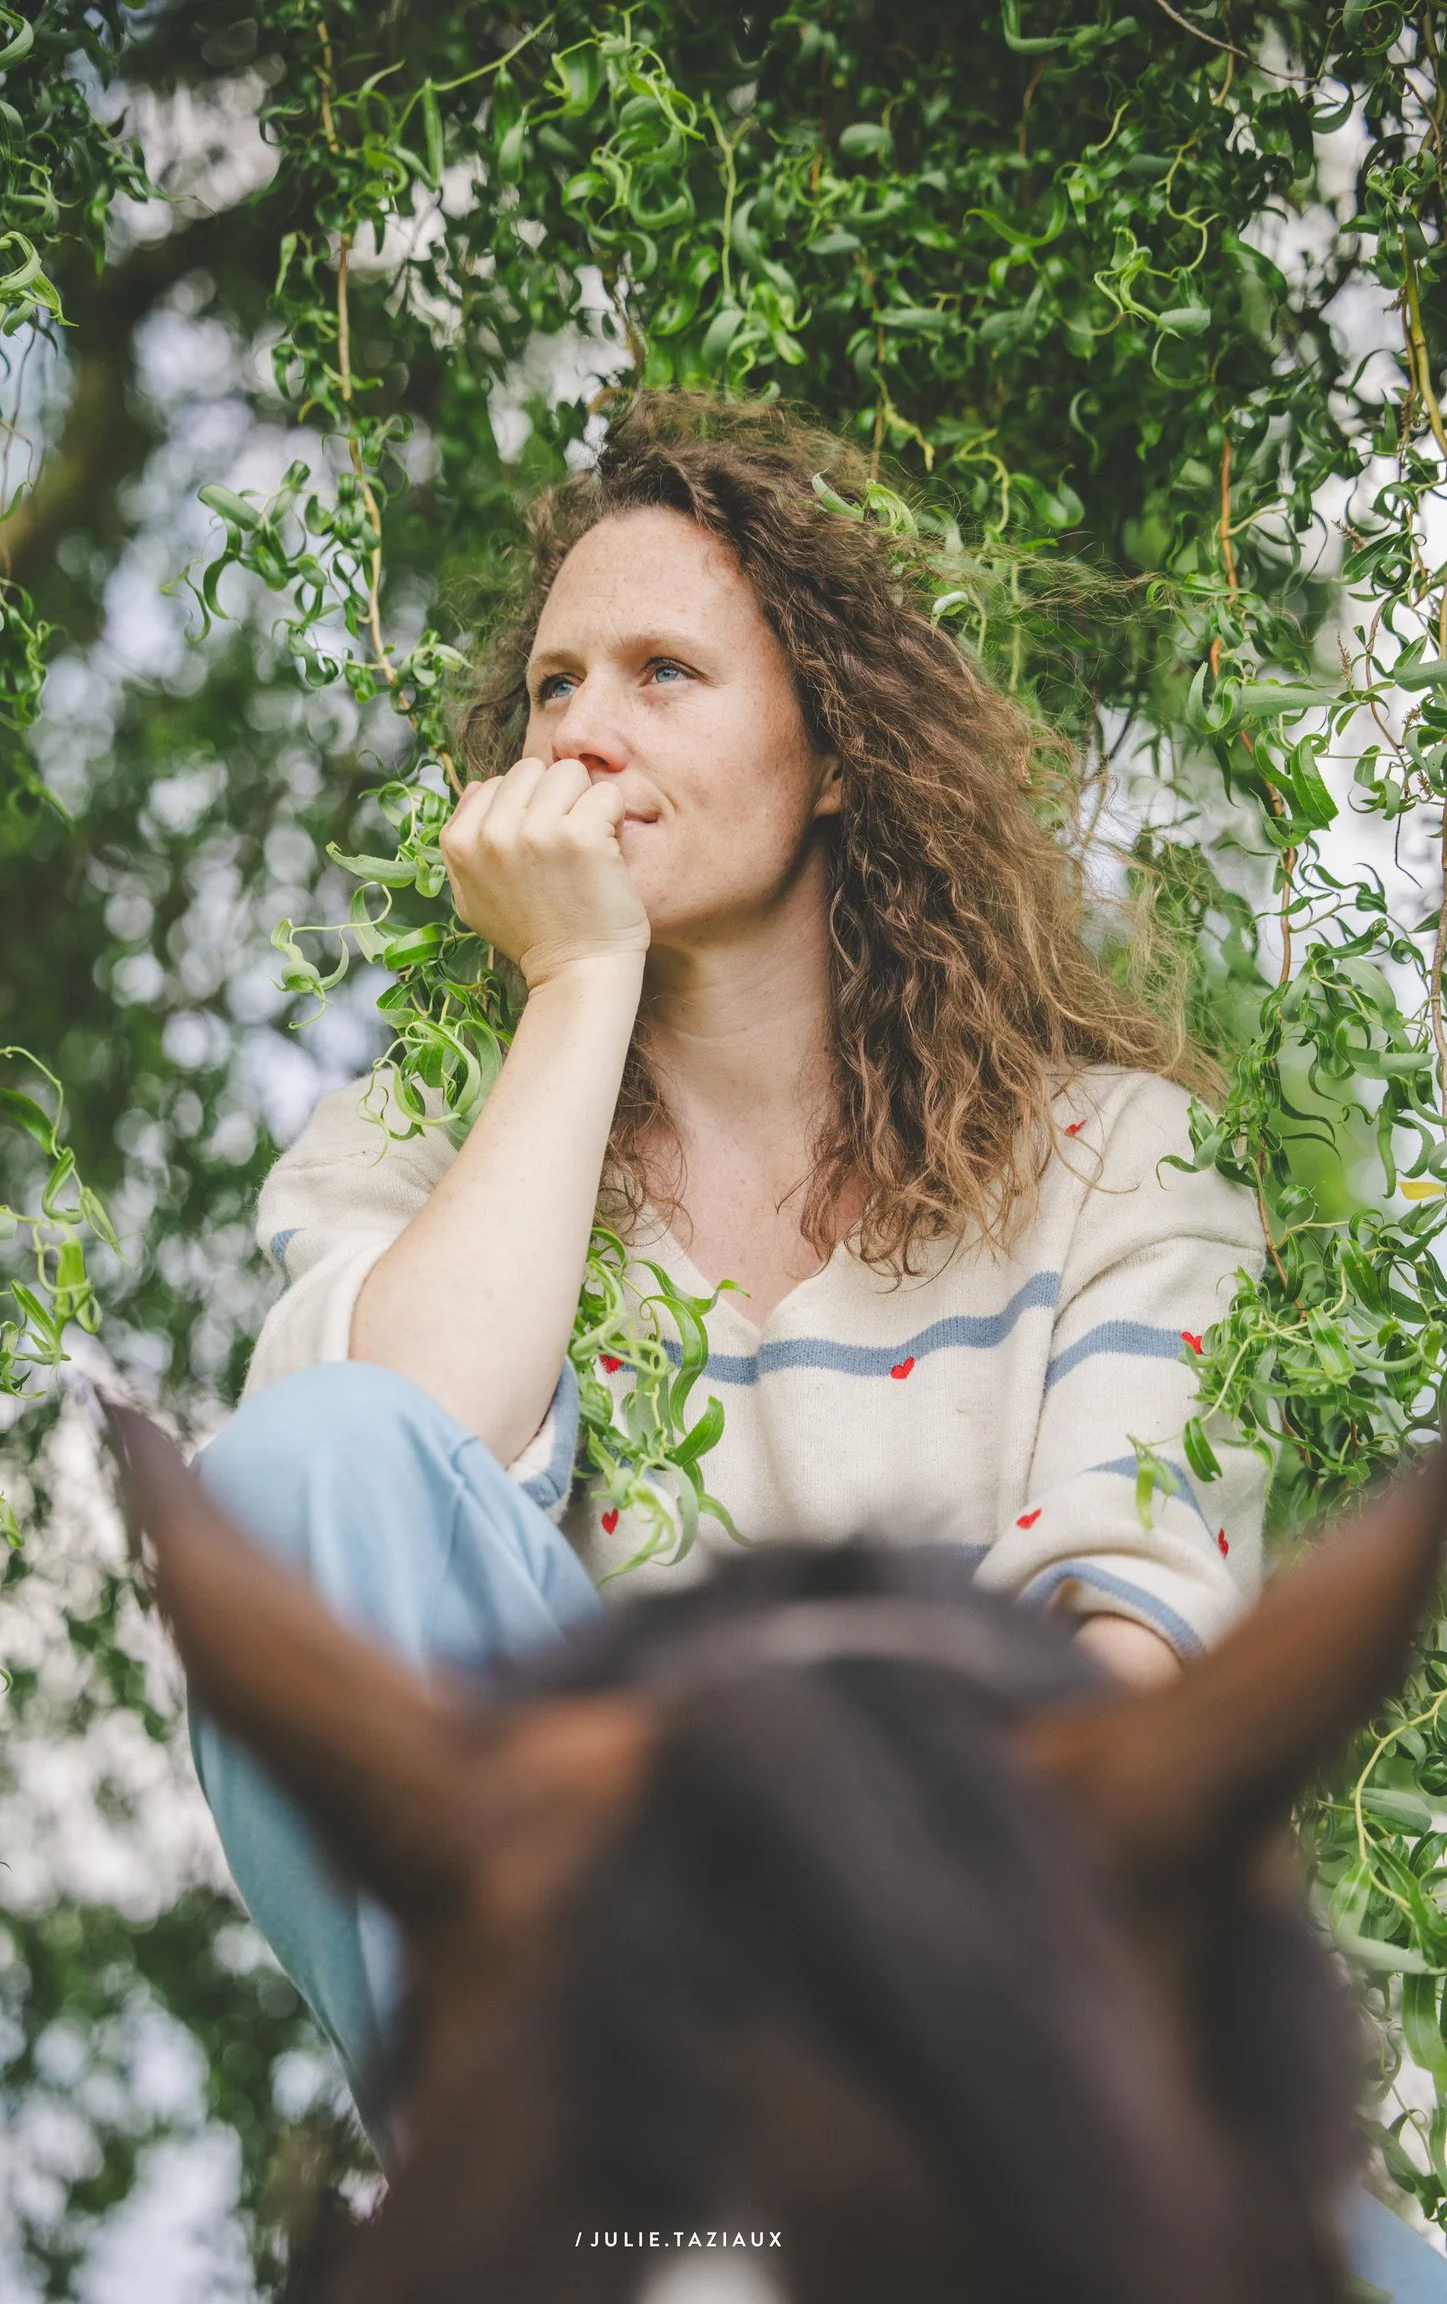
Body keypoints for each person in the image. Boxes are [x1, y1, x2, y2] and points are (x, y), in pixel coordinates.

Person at [191, 392, 1268, 2125]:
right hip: (590, 2052)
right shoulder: (411, 1154)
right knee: (289, 1452)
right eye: (553, 689)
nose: (583, 738)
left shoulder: (1124, 1160)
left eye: (661, 676)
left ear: (833, 752)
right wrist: (578, 985)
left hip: (1001, 2065)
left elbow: (1122, 1667)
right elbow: (354, 1507)